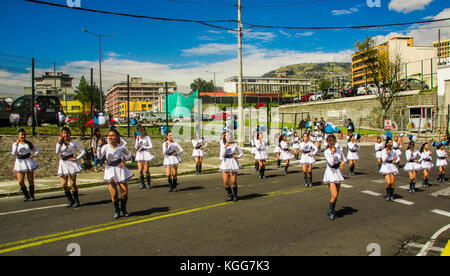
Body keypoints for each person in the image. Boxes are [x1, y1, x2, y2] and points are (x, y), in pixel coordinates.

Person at [98, 129, 134, 219]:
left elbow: (130, 154)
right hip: (110, 170)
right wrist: (99, 146)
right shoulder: (105, 147)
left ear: (117, 137)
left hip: (120, 169)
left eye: (113, 135)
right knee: (114, 193)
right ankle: (116, 211)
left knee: (124, 192)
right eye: (109, 136)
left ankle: (123, 209)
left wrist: (124, 160)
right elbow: (99, 157)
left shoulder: (121, 147)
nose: (111, 137)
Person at [56, 127, 86, 208]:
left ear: (70, 134)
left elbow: (83, 151)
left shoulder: (74, 143)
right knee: (63, 185)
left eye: (67, 133)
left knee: (73, 183)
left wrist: (76, 158)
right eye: (64, 133)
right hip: (63, 163)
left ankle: (76, 200)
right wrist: (59, 143)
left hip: (72, 163)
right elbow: (57, 152)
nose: (66, 135)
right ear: (61, 134)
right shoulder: (60, 143)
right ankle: (70, 200)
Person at [323, 135, 347, 221]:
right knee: (334, 194)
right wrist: (332, 153)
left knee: (336, 195)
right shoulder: (326, 152)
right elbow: (331, 163)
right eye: (329, 141)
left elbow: (344, 159)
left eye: (332, 140)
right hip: (330, 173)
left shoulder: (339, 150)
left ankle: (333, 209)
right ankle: (330, 211)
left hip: (338, 173)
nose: (331, 142)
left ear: (335, 141)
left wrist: (343, 163)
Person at [12, 128, 40, 202]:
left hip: (29, 161)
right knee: (20, 181)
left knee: (30, 179)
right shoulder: (15, 144)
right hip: (20, 162)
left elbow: (37, 150)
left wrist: (34, 155)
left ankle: (32, 196)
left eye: (24, 135)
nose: (23, 136)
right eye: (21, 135)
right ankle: (26, 195)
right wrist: (16, 144)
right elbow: (13, 153)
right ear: (18, 135)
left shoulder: (28, 143)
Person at [219, 133, 244, 202]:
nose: (228, 137)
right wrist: (225, 146)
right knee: (226, 182)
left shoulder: (235, 145)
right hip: (225, 163)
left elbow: (241, 153)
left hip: (233, 163)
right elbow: (222, 155)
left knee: (233, 181)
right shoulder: (222, 144)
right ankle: (230, 195)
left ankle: (235, 195)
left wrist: (237, 156)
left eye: (229, 136)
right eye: (226, 136)